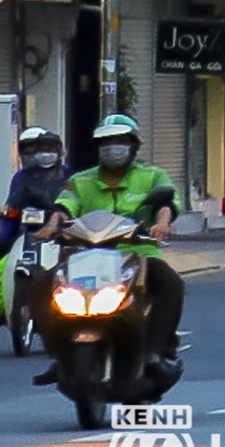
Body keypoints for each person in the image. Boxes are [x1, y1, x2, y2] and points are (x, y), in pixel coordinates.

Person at [38, 117, 182, 384]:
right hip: (84, 255)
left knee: (171, 284)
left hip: (137, 254)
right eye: (106, 142)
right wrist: (52, 225)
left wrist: (162, 224)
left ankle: (155, 353)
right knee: (41, 284)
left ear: (134, 145)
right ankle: (60, 354)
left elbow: (167, 202)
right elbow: (64, 206)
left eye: (119, 141)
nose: (112, 147)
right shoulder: (81, 181)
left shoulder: (152, 176)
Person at [1, 127, 70, 351]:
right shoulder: (24, 177)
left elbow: (76, 201)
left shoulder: (72, 176)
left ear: (60, 151)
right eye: (41, 149)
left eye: (51, 148)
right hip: (31, 231)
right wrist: (11, 211)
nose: (45, 153)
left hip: (65, 232)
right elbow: (14, 203)